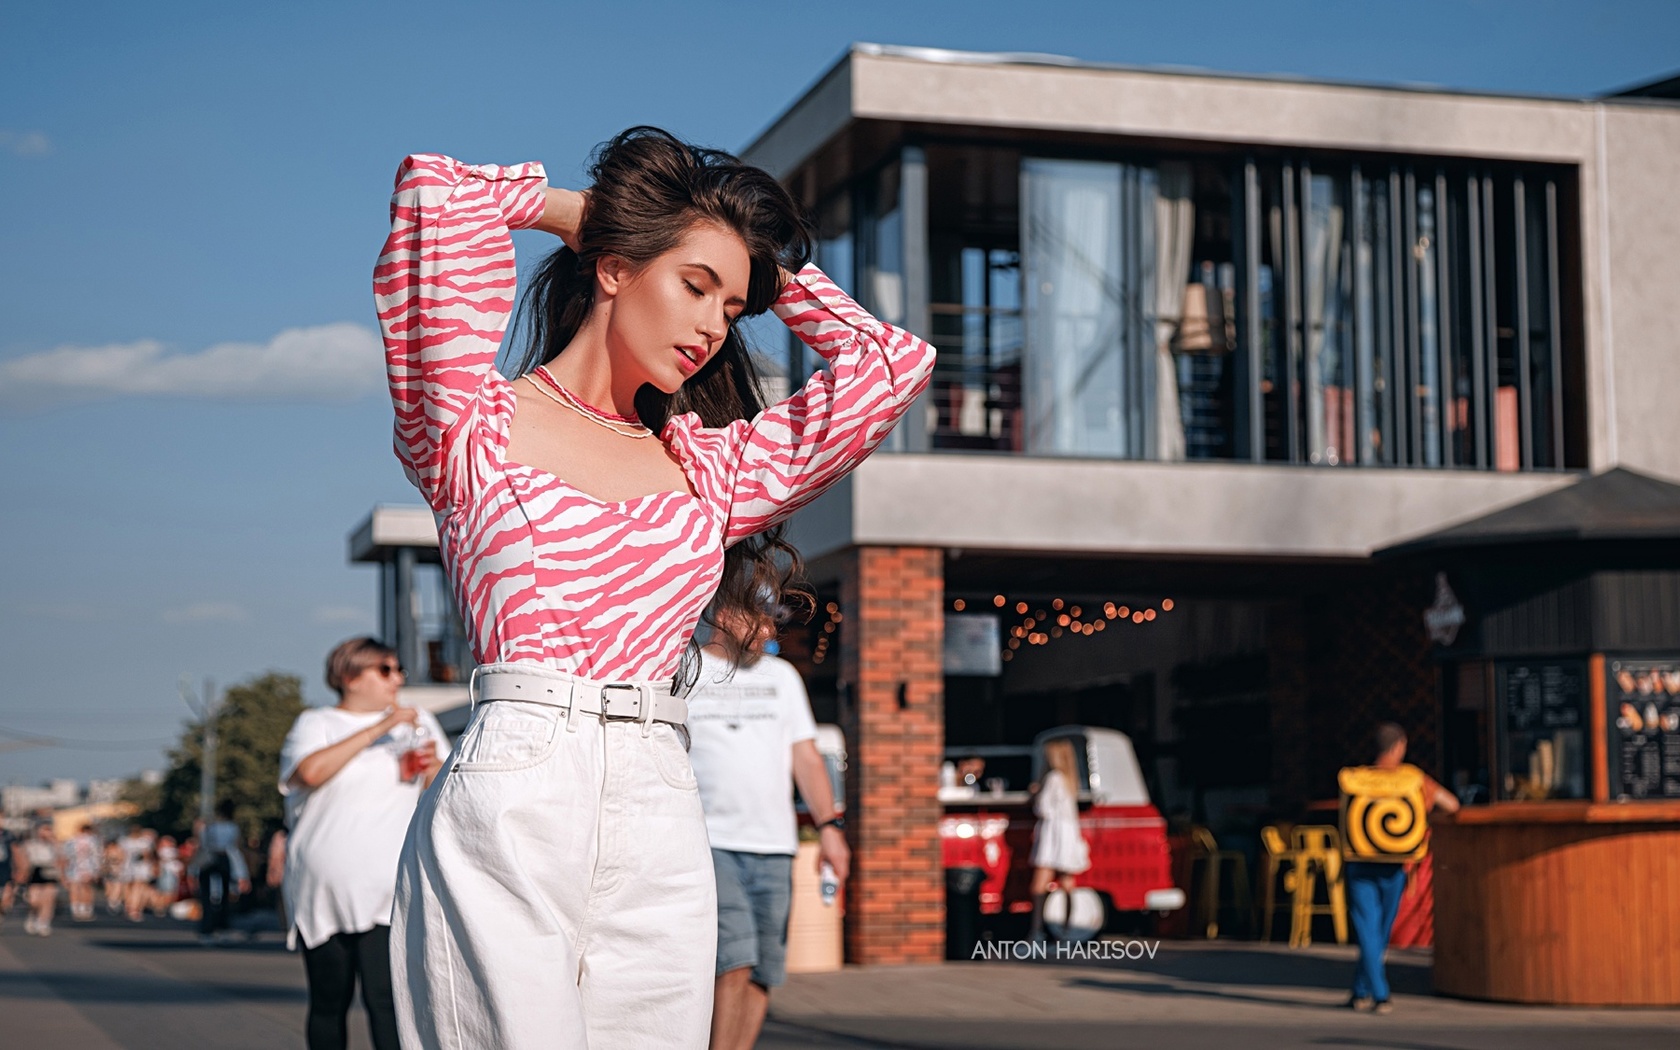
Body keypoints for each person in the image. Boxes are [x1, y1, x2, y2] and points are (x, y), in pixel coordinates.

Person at [377, 127, 933, 1049]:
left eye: (735, 306)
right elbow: (440, 195)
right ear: (615, 270)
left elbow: (890, 366)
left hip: (662, 797)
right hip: (518, 785)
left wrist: (756, 267)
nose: (717, 324)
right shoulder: (472, 423)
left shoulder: (709, 468)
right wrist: (597, 220)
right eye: (695, 286)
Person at [686, 607, 849, 1050]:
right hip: (709, 842)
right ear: (723, 614)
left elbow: (807, 758)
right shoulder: (686, 671)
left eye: (771, 621)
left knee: (763, 971)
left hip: (775, 846)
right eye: (756, 619)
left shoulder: (782, 677)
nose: (767, 630)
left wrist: (830, 828)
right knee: (732, 962)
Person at [279, 637, 446, 1050]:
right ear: (351, 676)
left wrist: (432, 767)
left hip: (390, 884)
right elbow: (310, 772)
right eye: (385, 669)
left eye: (398, 668)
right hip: (325, 886)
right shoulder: (316, 722)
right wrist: (380, 727)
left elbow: (444, 786)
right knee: (328, 1000)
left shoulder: (419, 720)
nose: (398, 678)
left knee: (388, 1000)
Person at [1344, 722, 1459, 1015]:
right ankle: (1380, 994)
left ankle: (1361, 990)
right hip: (1394, 865)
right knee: (1379, 930)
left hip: (1360, 861)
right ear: (1399, 747)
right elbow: (1452, 804)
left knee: (1368, 929)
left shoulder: (1355, 778)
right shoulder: (1413, 779)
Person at [1029, 737, 1091, 942]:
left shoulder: (1053, 778)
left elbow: (1043, 809)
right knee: (1067, 884)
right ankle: (1067, 930)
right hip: (1068, 835)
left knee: (1039, 886)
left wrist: (1035, 794)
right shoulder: (1069, 779)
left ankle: (1036, 931)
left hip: (1052, 836)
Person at [195, 802, 250, 943]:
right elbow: (236, 848)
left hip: (208, 860)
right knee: (225, 896)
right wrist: (242, 873)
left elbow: (202, 844)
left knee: (207, 896)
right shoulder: (233, 827)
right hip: (225, 859)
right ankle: (222, 927)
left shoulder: (208, 827)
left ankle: (207, 928)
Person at [19, 821, 61, 937]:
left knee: (48, 899)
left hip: (50, 871)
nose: (46, 833)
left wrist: (54, 843)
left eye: (48, 830)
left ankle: (44, 922)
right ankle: (33, 915)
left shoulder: (55, 844)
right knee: (34, 900)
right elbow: (24, 858)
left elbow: (62, 859)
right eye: (44, 830)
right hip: (35, 870)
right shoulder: (30, 844)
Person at [62, 823, 102, 921]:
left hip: (73, 867)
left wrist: (64, 871)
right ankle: (86, 909)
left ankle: (76, 909)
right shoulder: (93, 840)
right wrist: (97, 870)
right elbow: (97, 855)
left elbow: (65, 856)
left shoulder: (71, 841)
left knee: (75, 888)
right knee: (87, 888)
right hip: (88, 866)